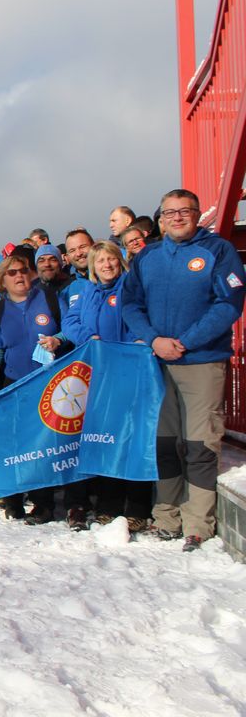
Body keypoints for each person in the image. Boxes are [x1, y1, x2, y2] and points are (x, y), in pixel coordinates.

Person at [122, 188, 246, 551]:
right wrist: (154, 339)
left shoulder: (217, 250)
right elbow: (130, 303)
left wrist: (186, 342)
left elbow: (229, 303)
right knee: (164, 443)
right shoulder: (149, 256)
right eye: (170, 212)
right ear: (160, 219)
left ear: (196, 214)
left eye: (185, 211)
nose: (177, 217)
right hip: (158, 362)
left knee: (199, 443)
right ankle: (167, 516)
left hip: (201, 361)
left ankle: (197, 523)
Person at [61, 241, 149, 531]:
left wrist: (135, 342)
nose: (107, 265)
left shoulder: (130, 286)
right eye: (100, 261)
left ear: (119, 261)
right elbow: (70, 321)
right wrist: (88, 337)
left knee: (132, 438)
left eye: (111, 259)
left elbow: (142, 319)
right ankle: (109, 505)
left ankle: (137, 507)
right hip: (99, 377)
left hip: (129, 373)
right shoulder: (88, 291)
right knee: (107, 439)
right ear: (93, 267)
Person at [0, 255, 70, 525]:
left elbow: (72, 329)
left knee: (42, 444)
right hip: (14, 383)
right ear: (3, 280)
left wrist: (58, 339)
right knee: (13, 443)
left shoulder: (49, 298)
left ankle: (43, 504)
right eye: (12, 272)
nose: (19, 276)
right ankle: (13, 499)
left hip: (48, 383)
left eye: (23, 271)